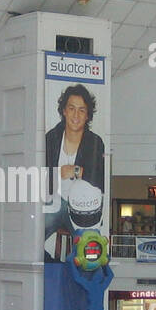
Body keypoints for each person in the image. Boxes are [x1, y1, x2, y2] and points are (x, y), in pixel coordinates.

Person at [43, 83, 107, 257]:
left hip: (82, 208)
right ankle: (52, 265)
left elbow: (98, 178)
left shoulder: (95, 142)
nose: (76, 115)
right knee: (33, 235)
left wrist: (75, 170)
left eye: (81, 110)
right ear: (64, 111)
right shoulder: (51, 138)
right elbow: (42, 176)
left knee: (90, 251)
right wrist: (60, 173)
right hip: (54, 203)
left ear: (87, 115)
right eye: (71, 108)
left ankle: (79, 277)